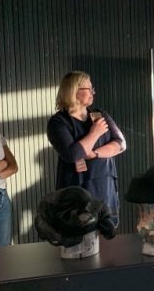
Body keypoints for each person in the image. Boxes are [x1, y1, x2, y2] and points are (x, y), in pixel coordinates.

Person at [47, 71, 126, 226]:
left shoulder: (99, 115)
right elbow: (72, 154)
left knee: (106, 232)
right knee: (82, 235)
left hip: (105, 185)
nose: (93, 92)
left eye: (92, 89)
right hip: (78, 190)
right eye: (88, 89)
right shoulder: (58, 122)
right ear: (73, 90)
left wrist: (95, 153)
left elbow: (121, 143)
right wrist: (94, 133)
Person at [0, 97, 18, 246]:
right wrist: (4, 163)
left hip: (2, 194)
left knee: (1, 249)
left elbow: (14, 166)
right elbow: (8, 163)